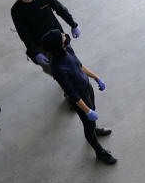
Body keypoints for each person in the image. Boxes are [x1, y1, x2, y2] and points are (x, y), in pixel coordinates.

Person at [40, 30, 116, 165]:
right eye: (62, 36)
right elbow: (72, 94)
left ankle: (95, 129)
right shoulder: (58, 69)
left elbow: (80, 66)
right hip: (79, 98)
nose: (64, 35)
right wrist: (87, 111)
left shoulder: (68, 49)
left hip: (87, 88)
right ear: (57, 44)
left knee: (92, 117)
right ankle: (99, 152)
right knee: (88, 125)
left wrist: (96, 78)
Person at [8, 0, 80, 73]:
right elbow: (24, 34)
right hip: (42, 47)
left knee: (73, 63)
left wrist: (73, 24)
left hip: (59, 39)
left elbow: (61, 10)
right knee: (57, 71)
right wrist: (35, 52)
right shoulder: (16, 11)